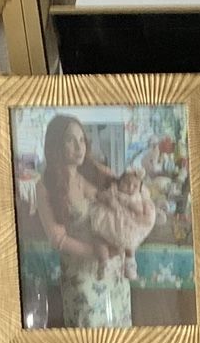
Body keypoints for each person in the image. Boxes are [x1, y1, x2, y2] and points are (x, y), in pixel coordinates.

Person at [32, 113, 158, 328]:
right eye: (70, 140)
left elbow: (130, 187)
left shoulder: (95, 171)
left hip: (115, 271)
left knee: (121, 336)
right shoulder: (46, 185)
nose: (79, 147)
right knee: (91, 340)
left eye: (82, 140)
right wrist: (101, 253)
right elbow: (57, 239)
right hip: (82, 274)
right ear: (56, 144)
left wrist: (140, 211)